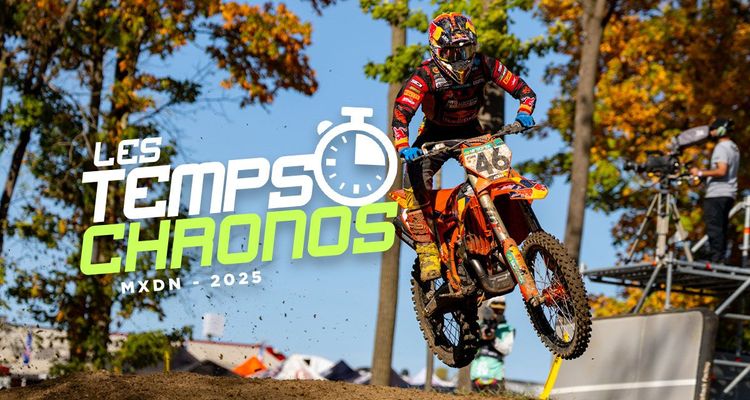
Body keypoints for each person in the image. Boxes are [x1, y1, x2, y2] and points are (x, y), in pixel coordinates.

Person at [392, 12, 537, 281]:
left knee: (501, 177)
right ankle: (427, 250)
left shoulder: (486, 64)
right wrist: (403, 146)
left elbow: (524, 91)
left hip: (471, 131)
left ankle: (494, 234)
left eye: (466, 50)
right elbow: (402, 113)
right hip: (434, 135)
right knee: (413, 179)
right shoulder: (424, 75)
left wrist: (524, 112)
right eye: (452, 52)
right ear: (437, 51)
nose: (460, 59)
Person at [689, 118, 740, 263]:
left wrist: (700, 173)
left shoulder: (721, 147)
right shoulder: (733, 147)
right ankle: (720, 257)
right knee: (722, 227)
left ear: (721, 130)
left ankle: (715, 259)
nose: (711, 133)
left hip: (717, 194)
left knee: (714, 227)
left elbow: (721, 170)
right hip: (729, 193)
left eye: (713, 129)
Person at [470, 296, 514, 392]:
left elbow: (506, 350)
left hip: (496, 376)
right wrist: (480, 336)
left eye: (500, 310)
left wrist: (494, 339)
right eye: (495, 309)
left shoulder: (507, 329)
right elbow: (469, 347)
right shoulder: (478, 326)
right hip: (476, 374)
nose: (496, 313)